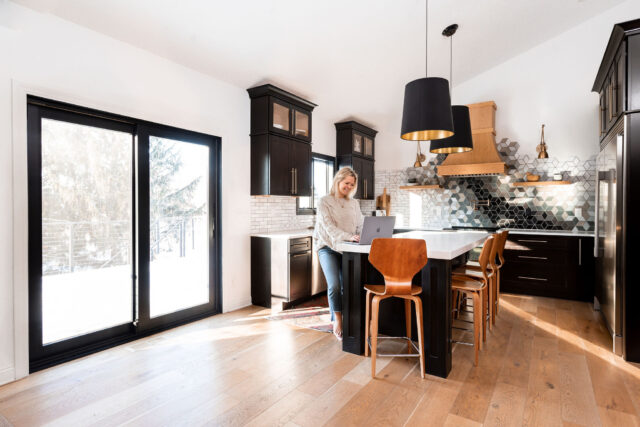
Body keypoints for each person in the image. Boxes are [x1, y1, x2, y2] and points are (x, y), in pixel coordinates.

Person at [313, 167, 363, 341]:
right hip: (327, 246)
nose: (349, 186)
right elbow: (329, 228)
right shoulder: (324, 201)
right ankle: (338, 321)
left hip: (347, 247)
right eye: (346, 183)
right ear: (338, 181)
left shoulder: (354, 203)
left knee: (346, 285)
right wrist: (350, 236)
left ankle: (347, 317)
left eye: (352, 184)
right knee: (334, 285)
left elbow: (360, 225)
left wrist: (364, 235)